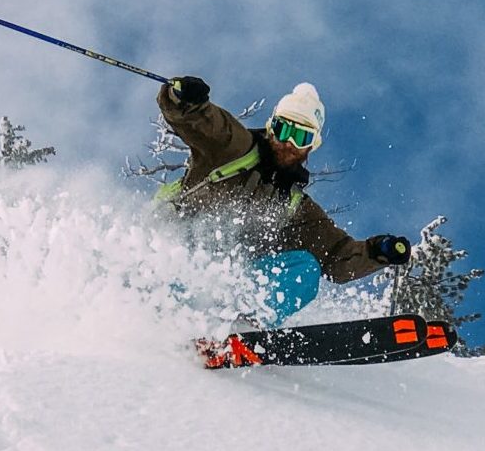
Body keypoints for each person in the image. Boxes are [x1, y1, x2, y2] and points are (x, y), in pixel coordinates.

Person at [156, 75, 411, 325]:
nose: (288, 143)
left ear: (312, 145)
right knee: (196, 244)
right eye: (283, 129)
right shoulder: (234, 148)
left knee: (305, 268)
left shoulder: (295, 206)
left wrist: (376, 252)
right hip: (179, 260)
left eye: (300, 137)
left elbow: (335, 256)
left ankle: (246, 324)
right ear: (271, 128)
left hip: (227, 287)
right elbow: (205, 122)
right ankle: (168, 310)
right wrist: (184, 98)